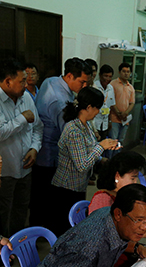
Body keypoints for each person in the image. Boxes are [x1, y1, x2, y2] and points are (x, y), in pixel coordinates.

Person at [31, 57, 91, 228]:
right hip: (49, 156)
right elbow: (70, 134)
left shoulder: (51, 81)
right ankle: (45, 234)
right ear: (70, 76)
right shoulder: (60, 101)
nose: (84, 86)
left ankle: (40, 229)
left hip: (42, 149)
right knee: (49, 198)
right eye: (82, 82)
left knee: (40, 196)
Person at [50, 87, 118, 236]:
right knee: (64, 231)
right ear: (88, 107)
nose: (98, 112)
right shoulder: (73, 130)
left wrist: (103, 160)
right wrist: (101, 147)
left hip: (78, 186)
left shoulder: (86, 125)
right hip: (66, 188)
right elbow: (82, 165)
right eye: (97, 108)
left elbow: (88, 153)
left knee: (74, 228)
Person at [0, 59, 43, 237]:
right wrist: (22, 118)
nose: (26, 85)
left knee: (21, 209)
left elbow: (38, 127)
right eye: (22, 81)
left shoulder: (26, 97)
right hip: (5, 172)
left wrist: (34, 148)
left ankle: (17, 244)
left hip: (25, 168)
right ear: (8, 81)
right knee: (2, 212)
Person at [109, 62, 135, 148]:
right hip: (114, 118)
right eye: (124, 71)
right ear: (119, 72)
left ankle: (117, 160)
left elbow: (132, 103)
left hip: (125, 119)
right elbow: (110, 100)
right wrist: (118, 113)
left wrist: (125, 113)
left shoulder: (130, 87)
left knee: (121, 141)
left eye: (128, 71)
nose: (126, 73)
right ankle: (110, 160)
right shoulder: (113, 84)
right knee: (113, 140)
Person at [92, 64, 116, 141]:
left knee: (103, 145)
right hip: (95, 123)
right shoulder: (94, 87)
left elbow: (110, 106)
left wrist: (109, 121)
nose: (108, 79)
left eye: (110, 77)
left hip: (105, 123)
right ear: (100, 75)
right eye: (105, 76)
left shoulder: (111, 88)